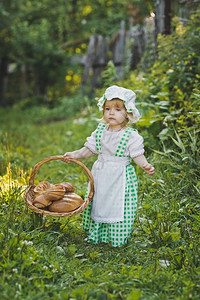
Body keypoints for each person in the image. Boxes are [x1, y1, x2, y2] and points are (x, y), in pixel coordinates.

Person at [63, 85, 154, 247]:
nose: (111, 113)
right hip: (100, 173)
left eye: (118, 109)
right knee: (99, 201)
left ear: (128, 113)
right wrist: (75, 154)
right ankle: (97, 234)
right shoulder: (100, 131)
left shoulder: (131, 135)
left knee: (117, 203)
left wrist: (145, 165)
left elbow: (136, 155)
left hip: (120, 176)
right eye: (107, 108)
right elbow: (89, 150)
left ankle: (116, 236)